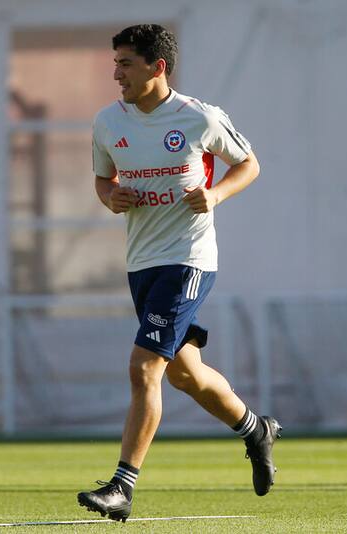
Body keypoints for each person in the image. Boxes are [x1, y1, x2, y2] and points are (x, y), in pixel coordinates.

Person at [77, 24, 281, 523]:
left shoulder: (198, 118)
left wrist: (214, 195)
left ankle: (123, 486)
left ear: (157, 66)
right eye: (116, 62)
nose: (116, 73)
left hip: (188, 259)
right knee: (185, 375)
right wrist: (111, 198)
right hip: (141, 263)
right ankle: (255, 428)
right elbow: (104, 180)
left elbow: (249, 164)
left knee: (143, 367)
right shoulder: (108, 122)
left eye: (125, 63)